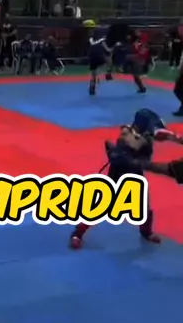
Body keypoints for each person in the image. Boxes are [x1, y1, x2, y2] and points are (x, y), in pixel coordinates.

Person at [70, 109, 183, 250]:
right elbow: (130, 145)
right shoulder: (127, 134)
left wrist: (173, 137)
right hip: (119, 173)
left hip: (136, 173)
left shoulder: (146, 134)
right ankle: (78, 233)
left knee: (144, 205)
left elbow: (159, 135)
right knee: (104, 204)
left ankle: (146, 232)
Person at [85, 20, 146, 97]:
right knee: (131, 68)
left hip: (109, 51)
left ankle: (94, 86)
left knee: (130, 67)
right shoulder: (105, 34)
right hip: (106, 51)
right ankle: (141, 87)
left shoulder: (105, 34)